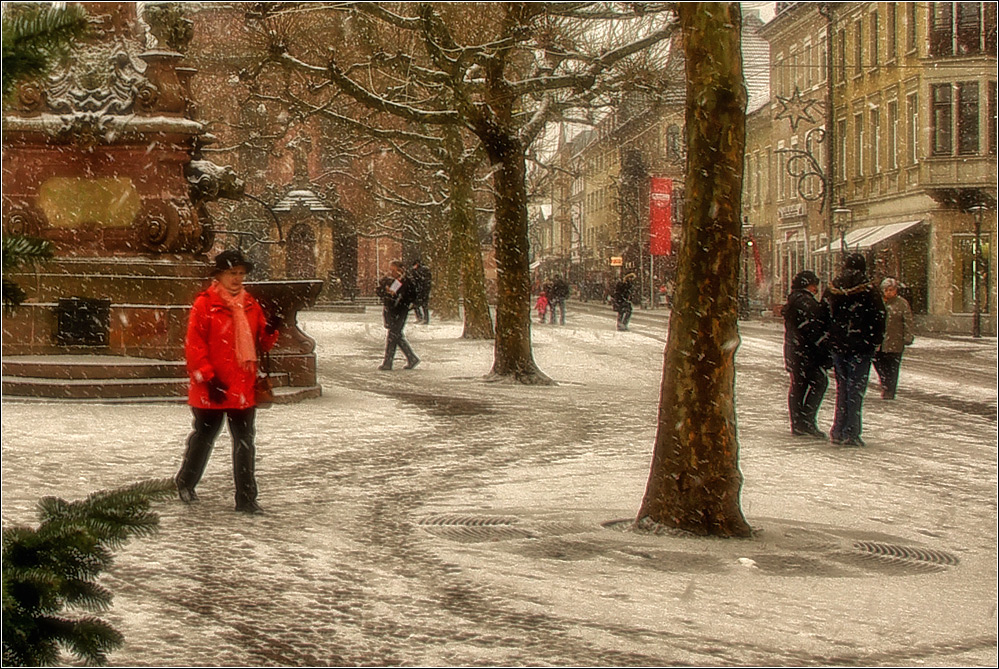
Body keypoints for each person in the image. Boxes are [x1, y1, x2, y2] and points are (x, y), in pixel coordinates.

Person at [175, 249, 280, 514]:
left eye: (241, 274)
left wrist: (272, 328)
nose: (237, 279)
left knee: (244, 442)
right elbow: (195, 345)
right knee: (204, 437)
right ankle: (186, 482)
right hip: (213, 387)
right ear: (219, 275)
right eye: (232, 273)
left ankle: (246, 498)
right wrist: (208, 379)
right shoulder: (204, 304)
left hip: (243, 386)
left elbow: (262, 344)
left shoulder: (250, 304)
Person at [821, 253, 886, 447]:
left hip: (840, 345)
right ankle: (852, 431)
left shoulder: (833, 288)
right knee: (856, 388)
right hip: (860, 345)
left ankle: (838, 429)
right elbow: (879, 316)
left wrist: (831, 337)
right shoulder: (868, 290)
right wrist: (874, 340)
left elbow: (823, 314)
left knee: (842, 387)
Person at [781, 270, 831, 439]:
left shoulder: (795, 300)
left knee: (799, 385)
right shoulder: (805, 302)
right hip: (805, 352)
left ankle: (798, 422)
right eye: (814, 284)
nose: (816, 288)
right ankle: (806, 420)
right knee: (819, 382)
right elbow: (812, 328)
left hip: (795, 351)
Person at [873, 277, 915, 400]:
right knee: (879, 364)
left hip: (895, 341)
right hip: (880, 342)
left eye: (892, 290)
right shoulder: (879, 302)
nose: (890, 292)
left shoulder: (902, 303)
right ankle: (885, 383)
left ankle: (890, 389)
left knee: (893, 367)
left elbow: (908, 321)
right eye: (887, 290)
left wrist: (908, 336)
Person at [376, 259, 420, 370]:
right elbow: (391, 295)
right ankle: (411, 358)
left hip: (400, 311)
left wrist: (397, 297)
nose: (391, 273)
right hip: (394, 311)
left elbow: (409, 296)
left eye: (393, 270)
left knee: (393, 336)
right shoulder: (398, 281)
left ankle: (388, 362)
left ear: (400, 270)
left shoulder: (406, 281)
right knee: (397, 336)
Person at [410, 259, 432, 325]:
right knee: (423, 306)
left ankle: (422, 318)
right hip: (423, 291)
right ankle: (424, 319)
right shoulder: (424, 270)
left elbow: (419, 280)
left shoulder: (419, 271)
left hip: (421, 291)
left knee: (418, 305)